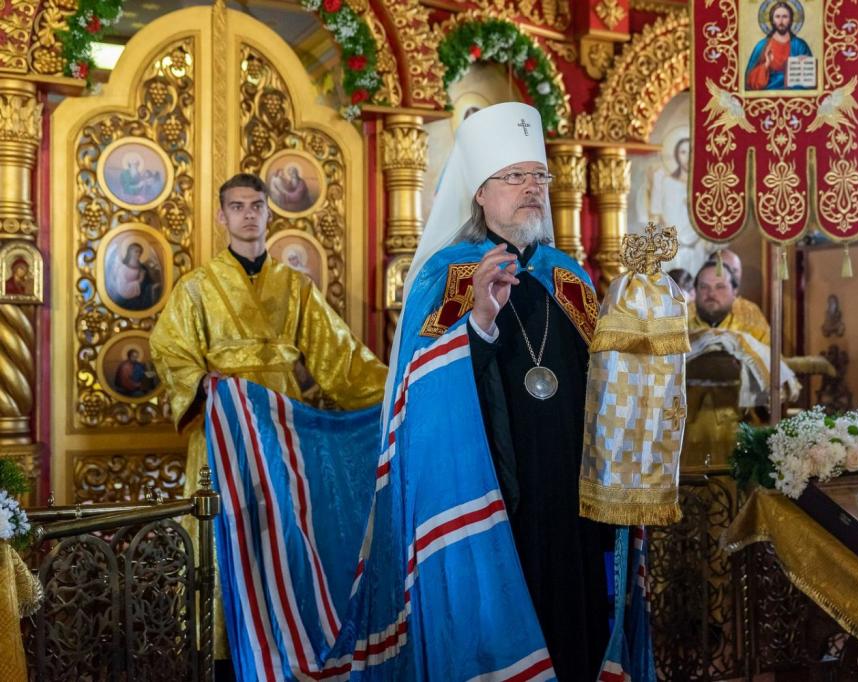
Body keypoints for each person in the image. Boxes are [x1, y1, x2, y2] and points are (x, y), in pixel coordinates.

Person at [388, 102, 611, 681]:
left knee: (576, 625)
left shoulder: (570, 277)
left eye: (538, 176)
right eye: (514, 177)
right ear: (480, 193)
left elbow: (604, 379)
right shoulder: (448, 275)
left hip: (571, 486)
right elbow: (421, 390)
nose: (531, 188)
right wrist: (481, 322)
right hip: (491, 492)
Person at [150, 172, 387, 666]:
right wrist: (207, 385)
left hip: (282, 433)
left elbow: (341, 359)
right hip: (221, 435)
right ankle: (219, 656)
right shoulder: (196, 288)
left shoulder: (295, 287)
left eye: (256, 206)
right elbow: (170, 351)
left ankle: (286, 648)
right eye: (237, 207)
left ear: (268, 213)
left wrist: (399, 390)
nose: (247, 215)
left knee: (283, 535)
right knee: (224, 537)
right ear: (222, 216)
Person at [648, 137, 707, 275]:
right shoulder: (665, 182)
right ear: (676, 155)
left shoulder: (703, 186)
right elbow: (656, 213)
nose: (687, 157)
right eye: (683, 152)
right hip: (670, 246)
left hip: (695, 246)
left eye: (691, 152)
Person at [690, 259, 770, 344]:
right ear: (695, 290)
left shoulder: (749, 314)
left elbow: (767, 350)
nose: (711, 294)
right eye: (704, 287)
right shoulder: (683, 315)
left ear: (734, 291)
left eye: (720, 287)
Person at [745, 1, 813, 90]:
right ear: (772, 20)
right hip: (769, 93)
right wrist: (766, 64)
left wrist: (805, 63)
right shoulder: (762, 46)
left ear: (790, 20)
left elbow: (810, 78)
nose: (781, 21)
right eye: (777, 17)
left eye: (785, 17)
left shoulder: (800, 45)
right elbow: (749, 81)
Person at [108, 241, 160, 310]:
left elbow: (149, 283)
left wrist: (152, 286)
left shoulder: (143, 267)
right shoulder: (122, 268)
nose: (139, 254)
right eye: (136, 251)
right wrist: (139, 281)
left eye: (140, 252)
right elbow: (122, 288)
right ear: (130, 252)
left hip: (142, 299)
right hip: (126, 300)